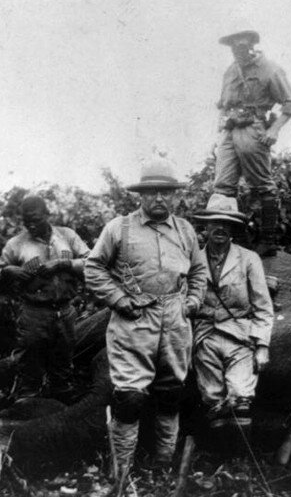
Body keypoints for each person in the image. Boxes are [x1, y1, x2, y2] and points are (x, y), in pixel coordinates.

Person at [85, 159, 207, 471]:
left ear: (175, 196)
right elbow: (94, 267)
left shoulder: (185, 230)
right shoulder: (119, 228)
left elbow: (198, 271)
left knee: (171, 393)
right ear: (141, 195)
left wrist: (192, 301)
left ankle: (163, 466)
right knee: (130, 399)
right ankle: (122, 473)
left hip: (176, 320)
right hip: (134, 320)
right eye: (151, 192)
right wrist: (118, 299)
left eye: (165, 192)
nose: (158, 199)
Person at [0, 195, 90, 401]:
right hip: (34, 312)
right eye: (27, 221)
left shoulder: (67, 236)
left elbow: (92, 262)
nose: (31, 225)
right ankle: (27, 409)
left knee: (63, 363)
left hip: (65, 309)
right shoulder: (16, 243)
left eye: (36, 219)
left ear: (47, 215)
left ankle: (61, 408)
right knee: (30, 364)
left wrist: (63, 264)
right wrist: (9, 271)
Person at [214, 28, 291, 256]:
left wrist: (274, 129)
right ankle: (239, 240)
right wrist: (219, 132)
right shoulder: (230, 71)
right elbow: (222, 105)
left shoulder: (270, 69)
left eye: (242, 45)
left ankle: (268, 240)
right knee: (223, 186)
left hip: (253, 128)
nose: (238, 50)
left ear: (252, 44)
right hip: (229, 128)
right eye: (234, 46)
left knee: (262, 184)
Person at [192, 194, 274, 434]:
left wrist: (262, 346)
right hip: (204, 336)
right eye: (215, 222)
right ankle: (218, 460)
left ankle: (241, 462)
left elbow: (263, 306)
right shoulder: (193, 259)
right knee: (213, 400)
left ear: (233, 228)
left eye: (227, 223)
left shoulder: (248, 259)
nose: (221, 227)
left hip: (239, 337)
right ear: (205, 226)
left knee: (241, 398)